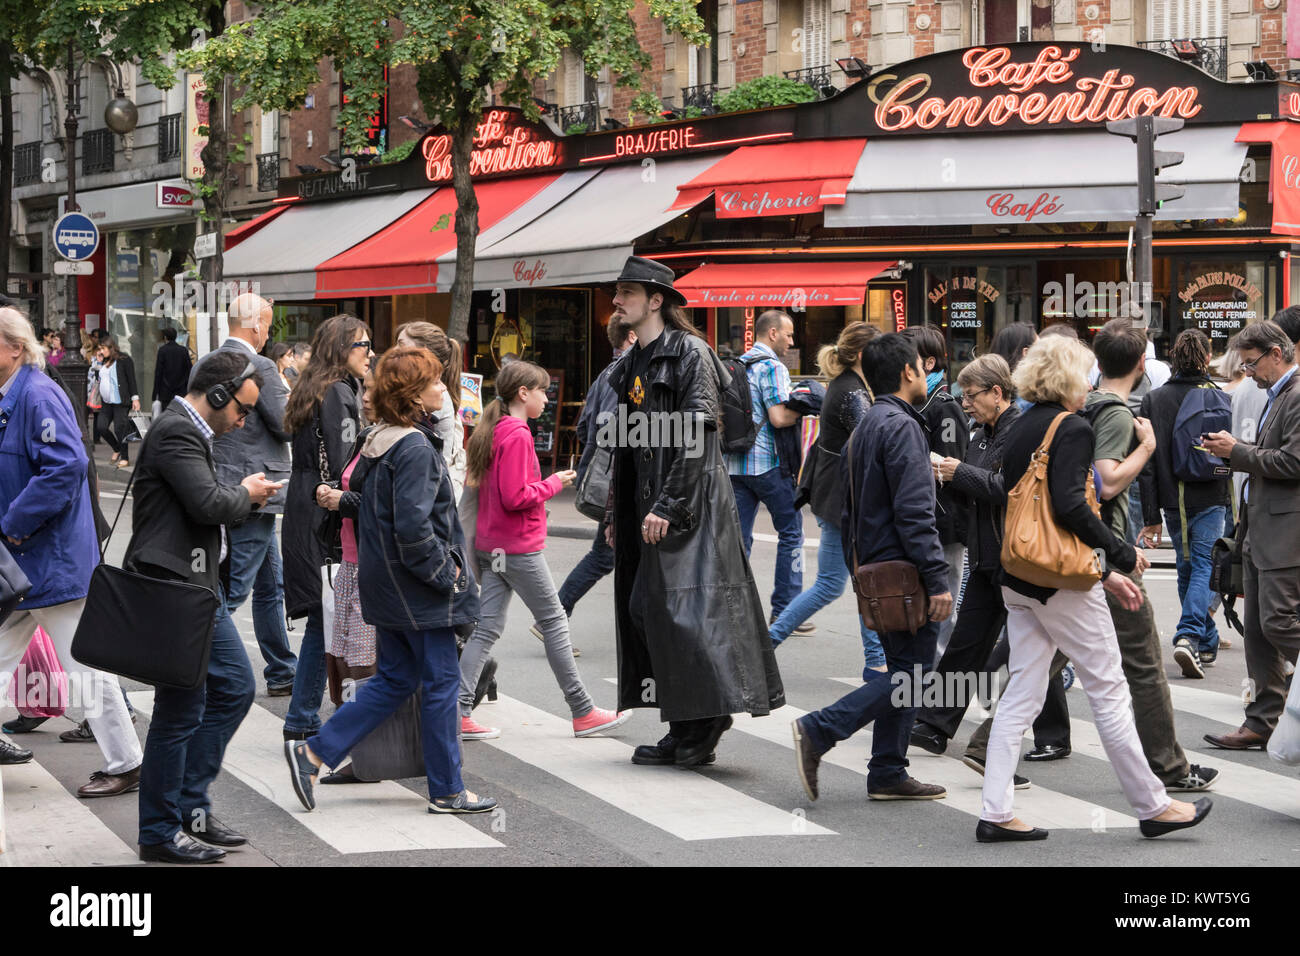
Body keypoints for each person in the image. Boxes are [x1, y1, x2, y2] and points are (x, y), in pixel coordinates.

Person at [977, 334, 1209, 842]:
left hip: (1018, 575)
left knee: (1021, 694)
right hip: (1059, 580)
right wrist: (1119, 557)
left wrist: (1105, 570)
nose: (1090, 383)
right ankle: (1153, 805)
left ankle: (996, 811)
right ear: (1066, 379)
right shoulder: (1073, 428)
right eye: (1084, 375)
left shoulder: (1018, 426)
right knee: (1108, 688)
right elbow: (1071, 506)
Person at [285, 347, 497, 815]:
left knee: (396, 679)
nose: (445, 388)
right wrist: (450, 576)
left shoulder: (377, 439)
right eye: (437, 382)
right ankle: (446, 789)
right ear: (415, 395)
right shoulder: (414, 448)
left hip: (385, 586)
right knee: (441, 685)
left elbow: (374, 513)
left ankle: (315, 751)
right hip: (419, 592)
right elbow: (415, 529)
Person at [606, 256, 783, 766]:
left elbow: (699, 434)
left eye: (627, 292)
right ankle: (686, 721)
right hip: (649, 506)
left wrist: (670, 503)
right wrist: (618, 513)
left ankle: (704, 720)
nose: (618, 301)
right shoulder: (634, 360)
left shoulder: (690, 353)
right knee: (652, 612)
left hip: (689, 507)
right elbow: (625, 445)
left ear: (656, 300)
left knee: (682, 615)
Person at [128, 351, 282, 862]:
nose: (244, 420)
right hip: (176, 588)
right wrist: (247, 493)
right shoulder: (177, 431)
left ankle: (185, 813)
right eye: (243, 408)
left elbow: (209, 506)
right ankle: (160, 830)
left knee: (222, 692)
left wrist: (239, 497)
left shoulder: (193, 432)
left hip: (194, 585)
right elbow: (209, 504)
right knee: (186, 706)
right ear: (218, 395)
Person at [791, 332, 952, 802]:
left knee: (905, 669)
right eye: (923, 366)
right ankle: (821, 729)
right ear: (907, 371)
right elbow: (915, 513)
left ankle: (887, 770)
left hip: (877, 566)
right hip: (902, 569)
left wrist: (861, 567)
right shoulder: (902, 427)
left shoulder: (869, 424)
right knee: (913, 676)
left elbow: (849, 507)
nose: (927, 372)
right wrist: (936, 578)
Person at [0, 307, 144, 796]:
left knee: (85, 668)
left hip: (47, 560)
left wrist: (14, 524)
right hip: (25, 561)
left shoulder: (36, 394)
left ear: (14, 347)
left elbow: (65, 466)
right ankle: (127, 761)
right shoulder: (16, 394)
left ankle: (127, 762)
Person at [457, 359, 627, 740]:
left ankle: (459, 711)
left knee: (486, 630)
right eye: (542, 392)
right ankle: (582, 711)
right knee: (553, 622)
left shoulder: (495, 429)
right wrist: (551, 484)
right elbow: (515, 496)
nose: (547, 399)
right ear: (523, 394)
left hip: (492, 544)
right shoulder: (517, 433)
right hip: (517, 547)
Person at [1084, 319, 1217, 792]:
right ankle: (1171, 768)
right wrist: (1147, 446)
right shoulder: (1118, 414)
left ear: (1098, 362)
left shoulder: (1084, 405)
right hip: (1110, 554)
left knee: (1045, 658)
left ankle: (969, 735)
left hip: (1091, 553)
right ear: (1142, 364)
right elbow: (1108, 479)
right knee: (1143, 667)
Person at [911, 355, 1024, 772]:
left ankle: (1044, 734)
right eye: (963, 396)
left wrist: (957, 473)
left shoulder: (1018, 433)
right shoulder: (979, 434)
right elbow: (975, 487)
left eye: (972, 395)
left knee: (1031, 652)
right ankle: (934, 725)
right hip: (984, 554)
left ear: (997, 393)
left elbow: (1008, 489)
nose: (966, 403)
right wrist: (941, 474)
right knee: (966, 642)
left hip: (1016, 557)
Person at [1202, 319, 1300, 751]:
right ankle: (1261, 721)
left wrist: (1236, 452)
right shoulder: (1278, 395)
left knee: (1278, 620)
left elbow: (1294, 463)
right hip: (1263, 527)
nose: (1248, 373)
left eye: (1252, 363)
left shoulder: (1295, 395)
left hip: (1285, 531)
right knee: (1259, 629)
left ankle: (1263, 719)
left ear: (1276, 354)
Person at [193, 292, 297, 697]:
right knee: (233, 590)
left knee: (271, 584)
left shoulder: (206, 361)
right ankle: (196, 665)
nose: (268, 332)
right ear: (256, 326)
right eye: (268, 325)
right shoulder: (263, 365)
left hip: (222, 479)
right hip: (258, 487)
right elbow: (286, 424)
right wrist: (291, 390)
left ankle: (282, 668)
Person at [769, 321, 886, 670]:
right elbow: (874, 437)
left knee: (846, 583)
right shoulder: (852, 391)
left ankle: (875, 659)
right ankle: (766, 643)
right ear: (864, 354)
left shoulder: (849, 385)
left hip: (835, 498)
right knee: (840, 584)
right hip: (841, 501)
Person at [280, 314, 371, 741]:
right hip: (324, 509)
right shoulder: (338, 391)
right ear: (340, 350)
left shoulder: (313, 385)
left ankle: (307, 713)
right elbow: (344, 461)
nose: (370, 354)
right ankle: (302, 716)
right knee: (326, 615)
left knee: (326, 614)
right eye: (362, 346)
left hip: (305, 504)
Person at [535, 316, 636, 643]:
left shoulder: (602, 376)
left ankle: (559, 615)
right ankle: (556, 614)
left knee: (613, 554)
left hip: (601, 476)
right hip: (618, 479)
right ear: (633, 336)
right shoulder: (629, 376)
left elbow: (583, 428)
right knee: (606, 554)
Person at [1139, 329, 1233, 676]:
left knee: (1186, 565)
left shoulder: (1154, 400)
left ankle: (1203, 643)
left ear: (1172, 359)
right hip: (1211, 493)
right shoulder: (1219, 396)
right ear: (1207, 358)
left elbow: (1147, 465)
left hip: (1171, 498)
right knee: (1205, 568)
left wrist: (1151, 516)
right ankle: (1191, 635)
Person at [726, 309, 806, 628]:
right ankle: (786, 610)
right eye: (788, 335)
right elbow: (778, 418)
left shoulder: (735, 365)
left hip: (734, 463)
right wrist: (806, 410)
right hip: (767, 464)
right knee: (792, 532)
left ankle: (733, 609)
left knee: (739, 539)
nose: (791, 341)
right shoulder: (772, 367)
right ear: (772, 333)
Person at [901, 325, 968, 656]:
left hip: (944, 523)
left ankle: (942, 680)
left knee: (944, 608)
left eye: (907, 358)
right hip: (922, 523)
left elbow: (952, 468)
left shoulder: (944, 406)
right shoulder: (914, 403)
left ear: (928, 363)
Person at [395, 322, 466, 502]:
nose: (394, 350)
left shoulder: (435, 397)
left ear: (423, 352)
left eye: (401, 344)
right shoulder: (420, 391)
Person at [93, 336, 140, 469]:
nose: (101, 351)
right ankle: (116, 448)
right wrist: (99, 363)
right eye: (99, 349)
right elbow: (98, 379)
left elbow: (131, 380)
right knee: (101, 427)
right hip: (106, 402)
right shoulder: (103, 361)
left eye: (103, 348)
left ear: (110, 347)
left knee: (120, 428)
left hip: (121, 401)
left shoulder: (124, 359)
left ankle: (125, 458)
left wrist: (135, 398)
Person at [152, 326, 193, 410]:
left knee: (167, 416)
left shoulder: (162, 350)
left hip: (165, 392)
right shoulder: (183, 350)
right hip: (181, 392)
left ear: (165, 337)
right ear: (176, 336)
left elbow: (158, 373)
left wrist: (155, 393)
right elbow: (189, 370)